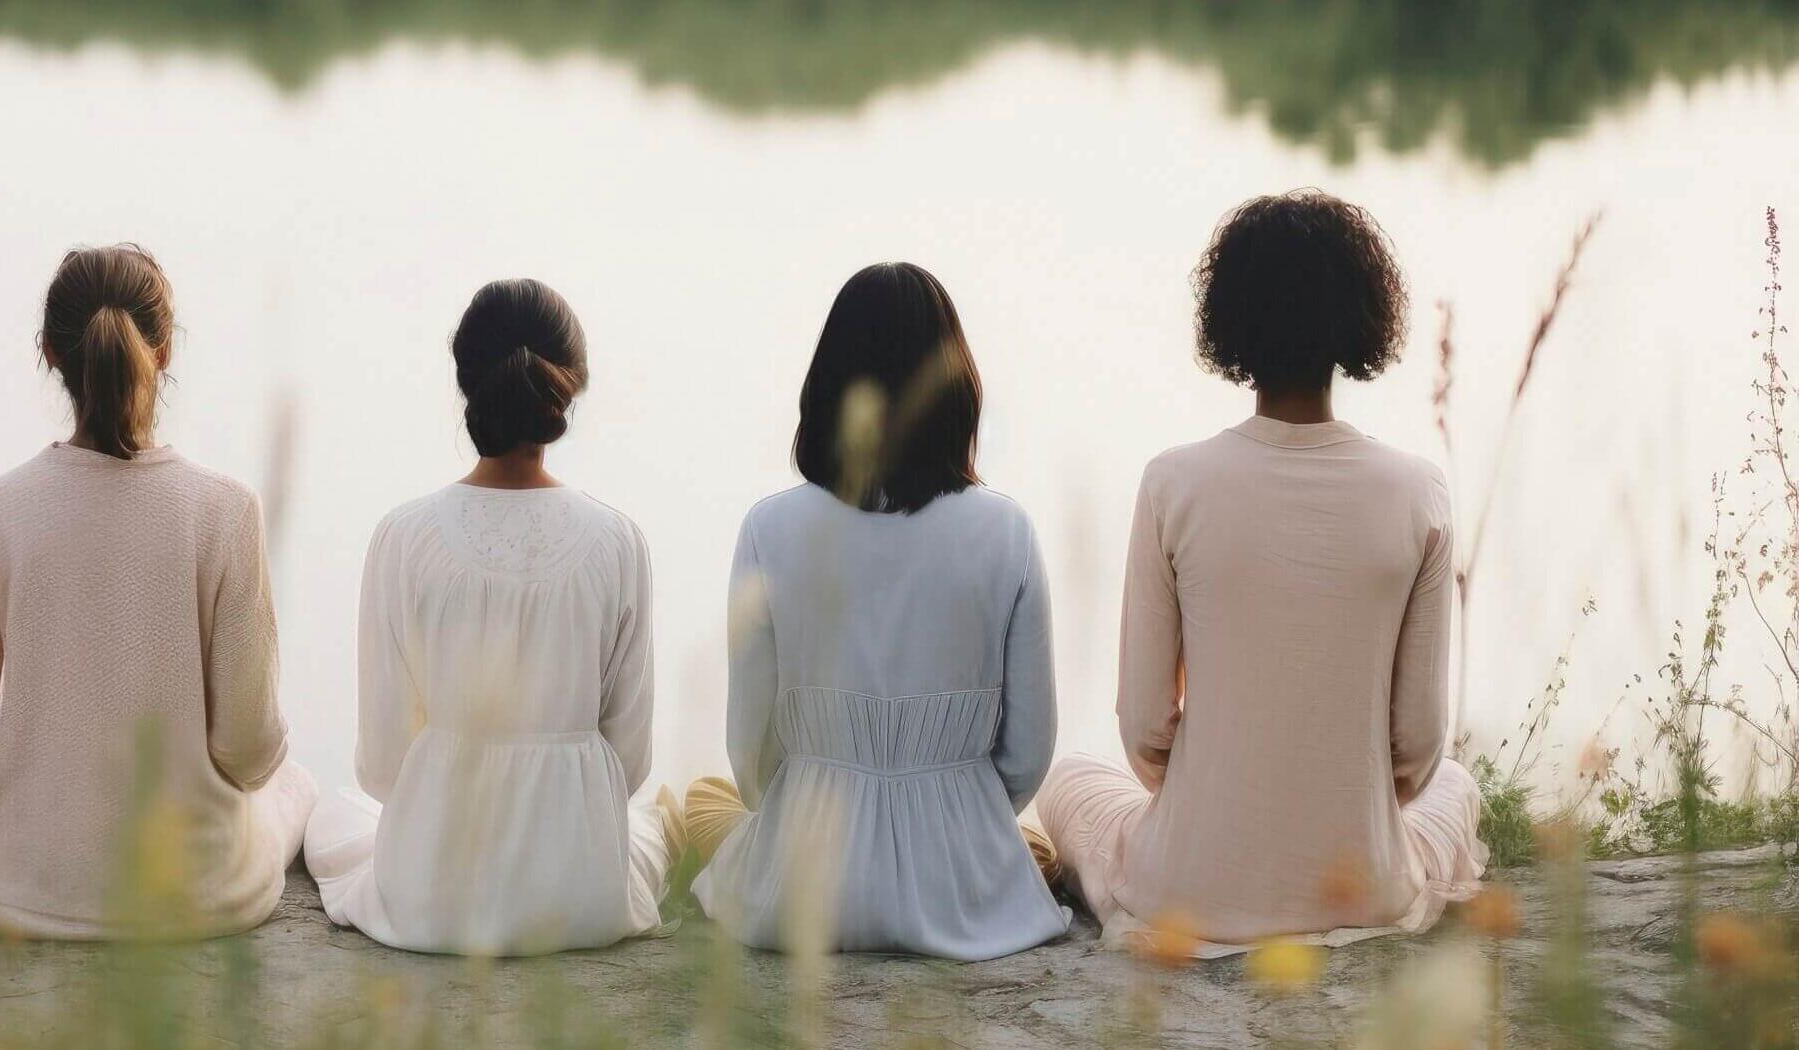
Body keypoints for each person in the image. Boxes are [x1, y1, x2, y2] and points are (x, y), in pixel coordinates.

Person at [1036, 191, 1487, 955]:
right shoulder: (1420, 494)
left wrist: (1222, 802)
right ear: (1359, 317)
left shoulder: (1173, 484)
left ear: (1231, 319)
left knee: (1070, 777)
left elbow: (1145, 731)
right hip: (1365, 886)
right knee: (1459, 787)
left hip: (1188, 892)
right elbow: (1416, 751)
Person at [679, 262, 1070, 959]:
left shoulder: (769, 529)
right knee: (1037, 840)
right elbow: (1027, 755)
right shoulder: (1007, 531)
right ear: (955, 388)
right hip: (960, 888)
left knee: (701, 800)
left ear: (827, 388)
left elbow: (752, 756)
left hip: (806, 888)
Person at [0, 245, 315, 940]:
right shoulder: (224, 512)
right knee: (298, 786)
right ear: (162, 352)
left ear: (49, 352)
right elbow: (249, 751)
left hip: (17, 888)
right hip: (195, 893)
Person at [304, 278, 674, 956]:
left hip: (432, 898)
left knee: (331, 812)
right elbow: (630, 761)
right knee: (656, 824)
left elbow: (382, 769)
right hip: (580, 895)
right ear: (571, 388)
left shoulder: (404, 535)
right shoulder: (619, 541)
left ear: (467, 381)